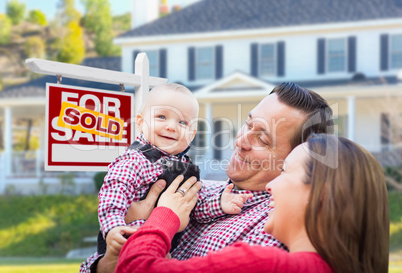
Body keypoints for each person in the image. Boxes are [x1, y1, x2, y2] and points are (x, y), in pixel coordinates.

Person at [81, 82, 334, 272]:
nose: (241, 140)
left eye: (263, 139)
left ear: (297, 157)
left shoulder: (272, 230)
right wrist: (106, 261)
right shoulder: (205, 190)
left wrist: (160, 218)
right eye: (248, 125)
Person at [115, 134, 390, 273]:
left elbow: (135, 268)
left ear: (321, 195)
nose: (271, 186)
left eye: (284, 172)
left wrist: (164, 215)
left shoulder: (263, 263)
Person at [80, 83, 252, 272]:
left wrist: (220, 204)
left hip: (161, 252)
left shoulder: (186, 169)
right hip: (126, 241)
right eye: (161, 117)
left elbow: (193, 207)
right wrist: (114, 227)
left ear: (192, 134)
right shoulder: (134, 160)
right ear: (140, 122)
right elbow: (113, 195)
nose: (171, 127)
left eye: (182, 123)